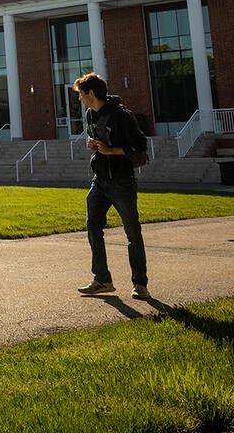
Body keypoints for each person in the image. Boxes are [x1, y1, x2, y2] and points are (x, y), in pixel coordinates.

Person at [74, 72, 151, 300]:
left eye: (81, 95)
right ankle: (102, 280)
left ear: (91, 93)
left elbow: (140, 145)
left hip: (122, 181)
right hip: (100, 181)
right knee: (93, 227)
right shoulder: (89, 114)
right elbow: (97, 141)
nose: (80, 99)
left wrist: (112, 151)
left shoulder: (122, 116)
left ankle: (140, 284)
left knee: (132, 232)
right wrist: (92, 145)